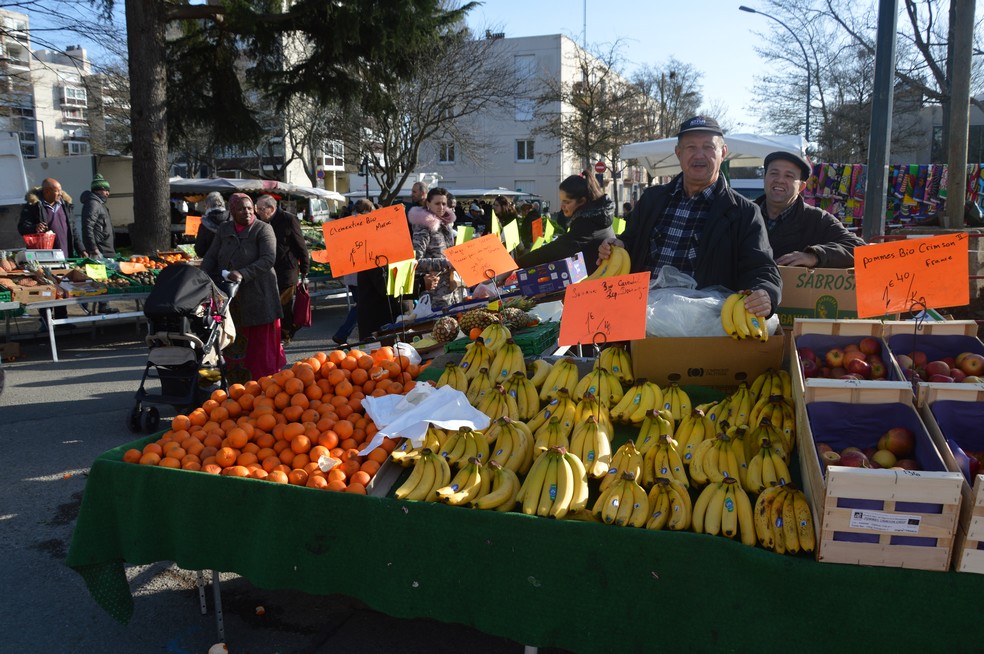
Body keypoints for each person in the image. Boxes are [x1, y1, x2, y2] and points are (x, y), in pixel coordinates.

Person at [598, 116, 781, 318]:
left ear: (723, 153)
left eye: (708, 147)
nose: (699, 155)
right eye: (691, 147)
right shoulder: (652, 199)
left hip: (699, 325)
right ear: (678, 153)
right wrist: (617, 246)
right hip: (639, 315)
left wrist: (766, 292)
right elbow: (631, 242)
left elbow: (762, 268)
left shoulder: (744, 212)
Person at [201, 193, 284, 381]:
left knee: (258, 344)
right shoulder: (224, 229)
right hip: (231, 298)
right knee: (234, 339)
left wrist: (243, 273)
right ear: (232, 211)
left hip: (259, 295)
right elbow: (212, 256)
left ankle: (264, 379)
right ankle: (236, 381)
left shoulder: (263, 229)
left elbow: (268, 258)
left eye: (249, 208)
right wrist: (202, 274)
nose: (246, 212)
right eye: (240, 208)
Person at [756, 151, 865, 268]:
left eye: (789, 176)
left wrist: (815, 256)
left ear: (801, 187)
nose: (780, 180)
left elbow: (860, 248)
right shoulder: (742, 214)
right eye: (774, 173)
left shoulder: (817, 219)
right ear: (765, 178)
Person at [517, 173, 615, 275]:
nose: (562, 206)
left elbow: (557, 249)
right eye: (561, 201)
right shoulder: (597, 217)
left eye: (567, 202)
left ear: (582, 201)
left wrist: (517, 264)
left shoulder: (588, 224)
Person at [18, 178, 77, 322]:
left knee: (62, 286)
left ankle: (63, 319)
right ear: (47, 191)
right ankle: (46, 320)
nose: (60, 193)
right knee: (46, 287)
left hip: (64, 254)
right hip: (44, 256)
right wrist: (34, 228)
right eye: (57, 191)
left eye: (60, 189)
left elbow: (73, 229)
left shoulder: (65, 205)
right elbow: (22, 227)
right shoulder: (33, 206)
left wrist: (81, 248)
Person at [254, 194, 309, 343]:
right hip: (267, 271)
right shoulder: (260, 222)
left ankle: (285, 335)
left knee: (283, 305)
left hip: (286, 270)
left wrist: (305, 269)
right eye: (256, 208)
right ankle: (279, 334)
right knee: (272, 304)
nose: (257, 211)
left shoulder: (288, 220)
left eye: (260, 208)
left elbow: (301, 246)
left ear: (271, 208)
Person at [409, 187, 465, 311]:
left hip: (451, 291)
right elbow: (415, 262)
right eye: (437, 203)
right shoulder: (423, 227)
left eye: (444, 203)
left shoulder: (445, 225)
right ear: (428, 204)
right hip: (435, 295)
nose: (441, 207)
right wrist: (446, 262)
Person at [332, 198, 374, 346]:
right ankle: (343, 334)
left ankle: (346, 334)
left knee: (362, 305)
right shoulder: (363, 225)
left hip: (350, 275)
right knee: (362, 305)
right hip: (360, 275)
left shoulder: (344, 225)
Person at [80, 174, 118, 315]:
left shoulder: (98, 203)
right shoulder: (93, 204)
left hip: (104, 247)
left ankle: (104, 305)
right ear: (97, 190)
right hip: (100, 249)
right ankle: (96, 305)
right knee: (98, 279)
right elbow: (87, 227)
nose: (108, 193)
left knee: (103, 279)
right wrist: (93, 248)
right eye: (105, 190)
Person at [193, 192, 229, 257]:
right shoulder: (232, 219)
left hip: (211, 263)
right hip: (231, 262)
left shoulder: (204, 223)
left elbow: (199, 250)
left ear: (208, 205)